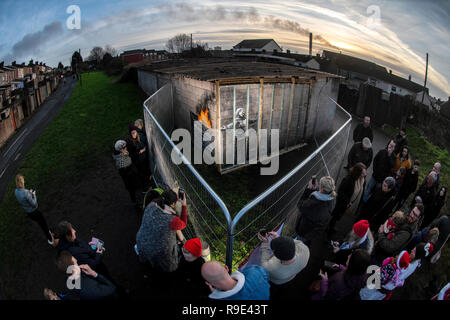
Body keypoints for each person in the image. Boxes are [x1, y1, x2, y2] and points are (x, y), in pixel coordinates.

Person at [135, 189, 187, 272]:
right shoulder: (172, 220)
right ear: (173, 204)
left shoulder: (151, 205)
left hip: (141, 243)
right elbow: (183, 224)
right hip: (159, 254)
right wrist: (184, 205)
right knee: (176, 253)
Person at [14, 174, 54, 245]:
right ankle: (51, 240)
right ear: (22, 182)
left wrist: (29, 194)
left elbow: (24, 199)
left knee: (41, 223)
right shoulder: (25, 192)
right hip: (35, 211)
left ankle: (48, 232)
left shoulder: (16, 191)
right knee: (43, 224)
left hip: (29, 213)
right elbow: (34, 204)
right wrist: (33, 194)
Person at [295, 176, 336, 246]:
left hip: (304, 232)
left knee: (298, 245)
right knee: (306, 244)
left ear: (322, 188)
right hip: (312, 233)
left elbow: (300, 205)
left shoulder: (313, 203)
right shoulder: (332, 199)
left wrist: (308, 189)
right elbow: (321, 197)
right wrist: (315, 191)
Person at [328, 163, 366, 234]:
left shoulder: (361, 180)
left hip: (347, 203)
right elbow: (340, 192)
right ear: (358, 173)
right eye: (363, 173)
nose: (365, 174)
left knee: (337, 216)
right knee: (336, 215)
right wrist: (347, 202)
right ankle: (329, 229)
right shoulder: (348, 180)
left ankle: (331, 226)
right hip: (341, 203)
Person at [201, 261, 270, 300]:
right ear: (226, 268)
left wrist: (216, 293)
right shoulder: (255, 271)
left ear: (209, 283)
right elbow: (265, 274)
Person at [112, 140, 140, 207]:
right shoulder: (121, 161)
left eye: (125, 146)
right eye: (124, 148)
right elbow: (124, 173)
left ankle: (135, 199)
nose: (126, 148)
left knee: (134, 189)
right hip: (129, 179)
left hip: (131, 175)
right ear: (119, 150)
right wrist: (133, 171)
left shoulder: (124, 154)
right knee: (132, 191)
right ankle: (134, 203)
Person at [126, 124, 151, 191]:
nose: (133, 134)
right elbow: (131, 155)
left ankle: (147, 185)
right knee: (142, 175)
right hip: (138, 162)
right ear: (130, 134)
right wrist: (141, 151)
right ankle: (144, 189)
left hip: (142, 160)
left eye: (134, 132)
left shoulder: (138, 138)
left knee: (145, 173)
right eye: (132, 133)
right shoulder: (130, 142)